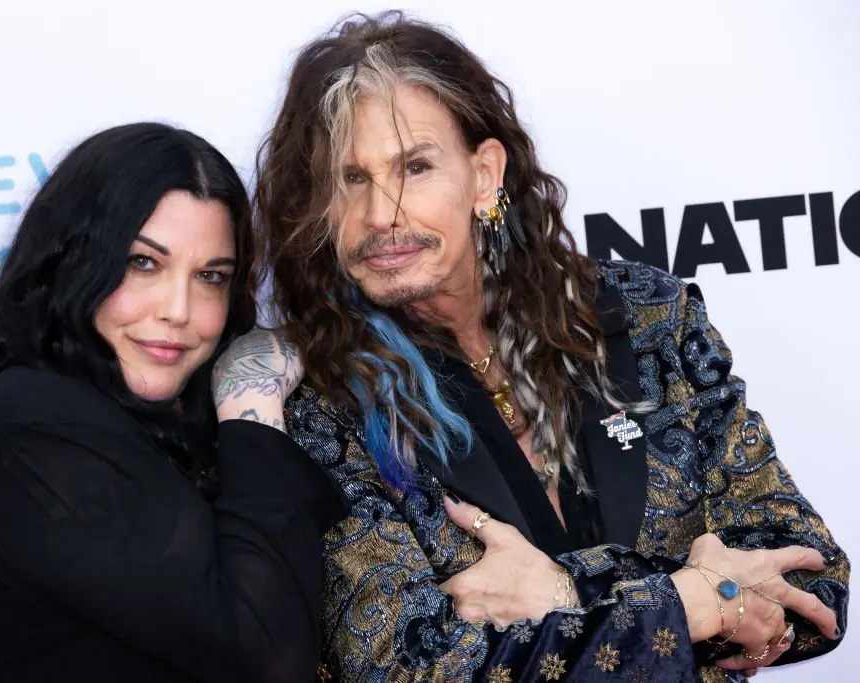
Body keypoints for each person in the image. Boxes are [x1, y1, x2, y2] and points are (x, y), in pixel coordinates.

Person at [253, 12, 849, 682]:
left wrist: (566, 598)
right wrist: (694, 600)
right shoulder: (321, 406)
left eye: (415, 166)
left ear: (484, 175)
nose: (380, 214)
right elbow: (405, 665)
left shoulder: (649, 318)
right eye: (348, 179)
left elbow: (815, 581)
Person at [0, 122, 342, 683]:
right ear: (73, 260)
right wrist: (250, 399)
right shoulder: (28, 425)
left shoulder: (165, 418)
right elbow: (264, 655)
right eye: (144, 263)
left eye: (211, 276)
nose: (178, 309)